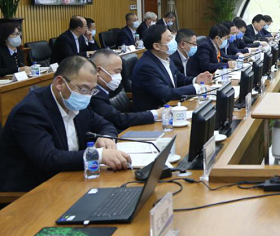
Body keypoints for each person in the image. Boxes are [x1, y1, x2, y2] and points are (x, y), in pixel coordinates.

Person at [0, 56, 131, 192]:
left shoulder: (78, 103)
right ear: (60, 83)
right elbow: (49, 159)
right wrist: (97, 155)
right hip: (33, 189)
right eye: (84, 89)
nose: (87, 96)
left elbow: (106, 125)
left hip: (71, 178)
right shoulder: (30, 111)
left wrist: (106, 137)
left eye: (92, 90)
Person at [131, 25, 212, 112]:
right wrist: (196, 87)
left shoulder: (165, 57)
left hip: (170, 108)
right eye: (169, 40)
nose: (174, 42)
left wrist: (196, 80)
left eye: (172, 38)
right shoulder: (146, 67)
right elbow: (166, 93)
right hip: (155, 115)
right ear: (157, 46)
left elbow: (179, 78)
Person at [90, 50, 160, 131]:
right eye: (116, 72)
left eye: (120, 72)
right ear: (98, 71)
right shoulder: (93, 94)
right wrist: (155, 114)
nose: (119, 77)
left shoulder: (106, 86)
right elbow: (118, 119)